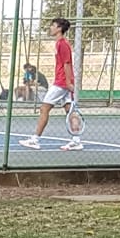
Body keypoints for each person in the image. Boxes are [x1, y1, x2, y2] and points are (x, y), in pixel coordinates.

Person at [20, 17, 85, 151]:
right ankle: (76, 141)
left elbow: (67, 64)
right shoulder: (59, 43)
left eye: (53, 25)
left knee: (44, 109)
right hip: (64, 83)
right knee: (69, 110)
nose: (51, 27)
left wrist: (68, 82)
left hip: (61, 83)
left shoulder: (62, 44)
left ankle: (35, 140)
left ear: (59, 28)